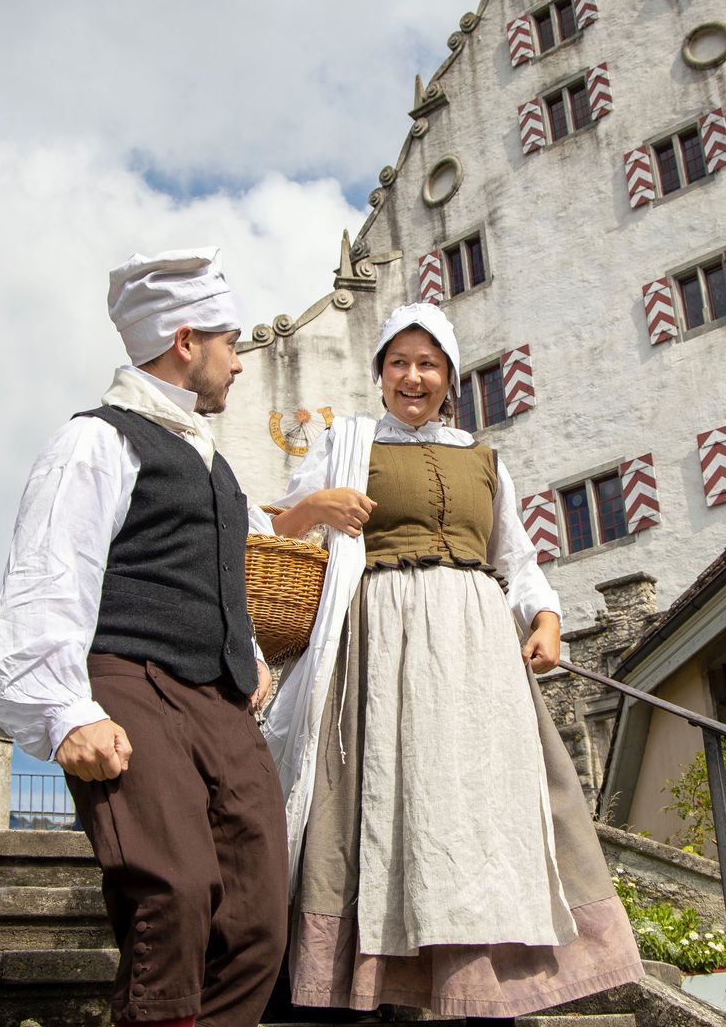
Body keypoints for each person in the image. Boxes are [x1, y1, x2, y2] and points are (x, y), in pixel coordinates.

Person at [262, 303, 643, 1019]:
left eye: (428, 364)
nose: (413, 377)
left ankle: (484, 977)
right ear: (379, 373)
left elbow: (516, 558)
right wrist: (317, 507)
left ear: (449, 377)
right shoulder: (345, 445)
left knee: (480, 803)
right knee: (381, 796)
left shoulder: (484, 459)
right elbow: (273, 532)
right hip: (379, 642)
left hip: (476, 650)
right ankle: (366, 976)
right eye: (399, 363)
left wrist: (547, 617)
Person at [0, 247, 283, 1027]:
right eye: (231, 344)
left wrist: (247, 650)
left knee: (256, 920)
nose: (239, 363)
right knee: (174, 890)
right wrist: (64, 711)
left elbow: (214, 573)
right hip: (128, 680)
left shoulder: (212, 460)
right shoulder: (97, 441)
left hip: (220, 699)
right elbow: (51, 570)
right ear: (186, 341)